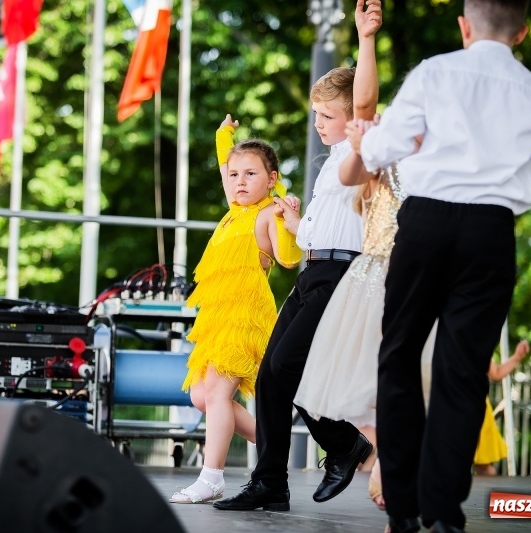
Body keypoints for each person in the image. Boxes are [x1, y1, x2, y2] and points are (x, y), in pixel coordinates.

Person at [340, 0, 531, 531]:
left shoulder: (435, 72)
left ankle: (403, 510)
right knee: (463, 375)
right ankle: (443, 514)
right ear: (522, 33)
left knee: (399, 358)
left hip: (427, 224)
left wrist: (386, 140)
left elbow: (381, 149)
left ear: (463, 26)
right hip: (489, 234)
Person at [213, 0, 383, 512]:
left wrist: (366, 39)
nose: (319, 124)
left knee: (291, 371)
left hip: (340, 275)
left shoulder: (361, 148)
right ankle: (278, 479)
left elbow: (367, 103)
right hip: (313, 270)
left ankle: (341, 447)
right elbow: (314, 231)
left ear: (352, 117)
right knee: (273, 376)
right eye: (316, 115)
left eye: (328, 115)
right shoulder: (330, 163)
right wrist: (294, 221)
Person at [170, 116, 302, 504]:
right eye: (233, 175)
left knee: (215, 391)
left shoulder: (266, 213)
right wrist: (223, 134)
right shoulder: (233, 209)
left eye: (250, 174)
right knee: (202, 398)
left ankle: (211, 477)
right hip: (216, 315)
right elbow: (225, 158)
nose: (239, 181)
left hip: (245, 315)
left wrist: (289, 222)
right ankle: (271, 439)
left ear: (272, 178)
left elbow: (290, 260)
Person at [474, 339, 531, 476]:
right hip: (443, 404)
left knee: (483, 465)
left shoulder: (473, 342)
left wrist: (517, 357)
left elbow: (496, 373)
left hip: (476, 408)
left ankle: (487, 496)